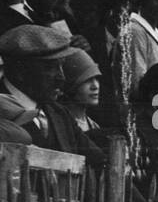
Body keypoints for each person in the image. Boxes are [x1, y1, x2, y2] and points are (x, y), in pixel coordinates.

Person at [0, 25, 104, 168]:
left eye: (61, 66)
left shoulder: (60, 114)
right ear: (20, 71)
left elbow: (99, 163)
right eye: (50, 67)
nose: (61, 77)